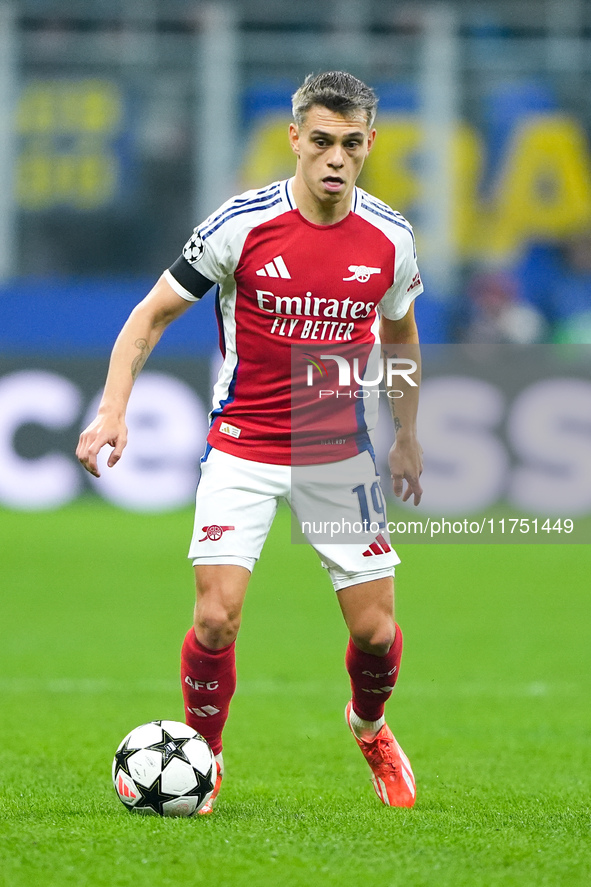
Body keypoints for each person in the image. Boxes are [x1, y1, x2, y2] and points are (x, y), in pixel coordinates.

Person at [77, 71, 424, 812]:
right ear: (294, 139)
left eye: (351, 144)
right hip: (243, 446)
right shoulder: (242, 224)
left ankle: (368, 726)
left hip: (336, 453)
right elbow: (148, 318)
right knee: (215, 616)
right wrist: (112, 410)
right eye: (322, 141)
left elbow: (400, 332)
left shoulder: (390, 237)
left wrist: (407, 434)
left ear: (370, 145)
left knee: (374, 632)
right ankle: (206, 754)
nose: (335, 157)